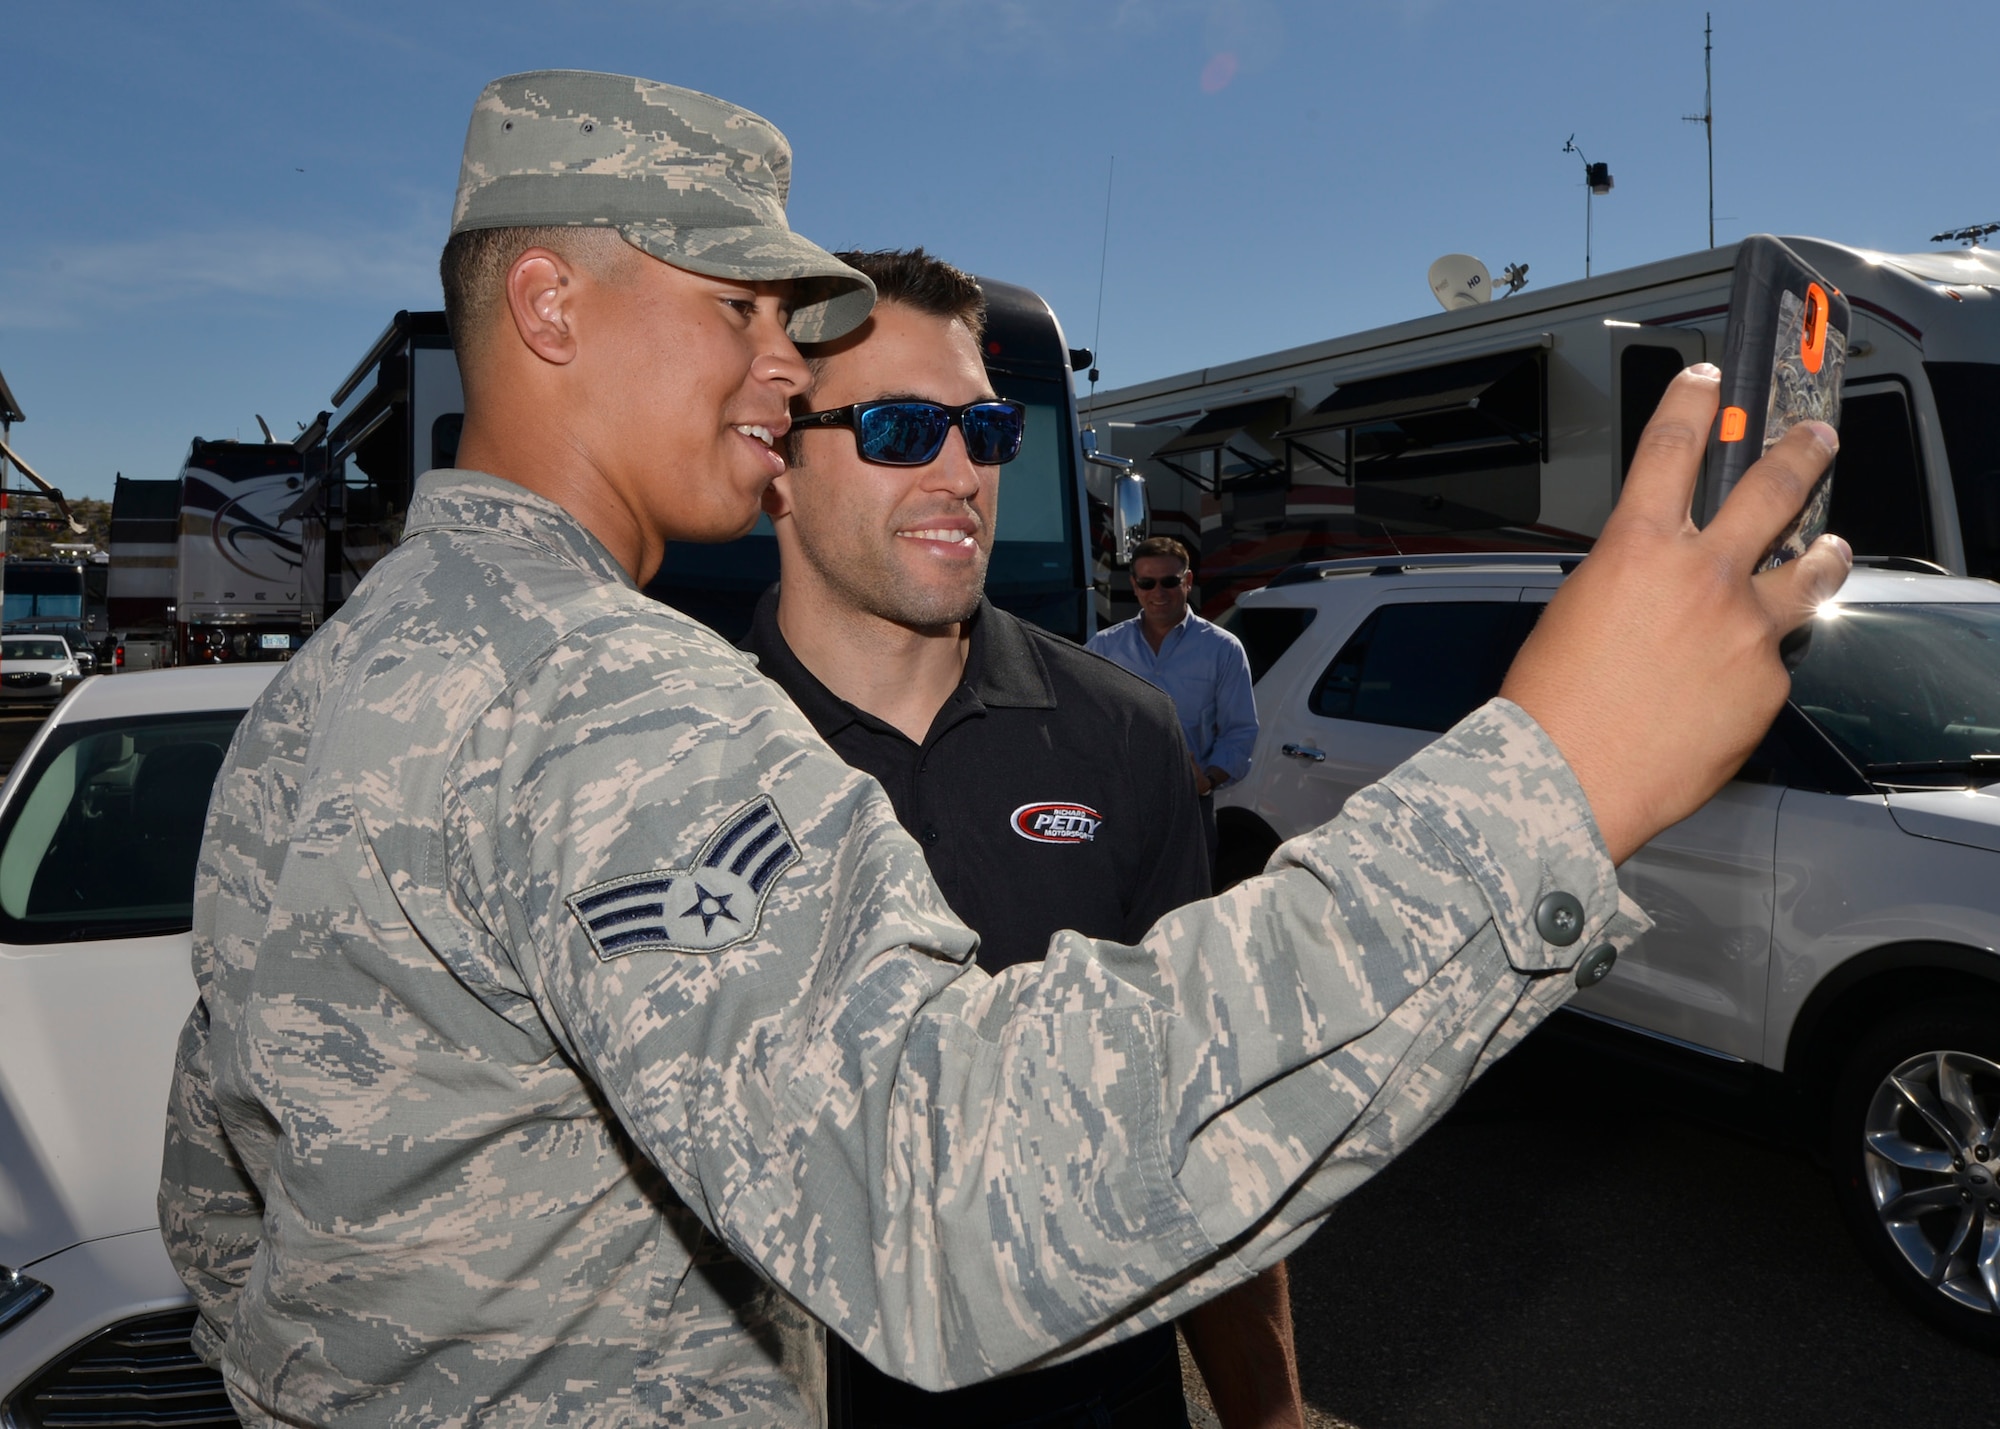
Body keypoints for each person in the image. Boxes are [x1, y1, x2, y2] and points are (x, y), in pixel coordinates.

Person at [159, 68, 1850, 1427]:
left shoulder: (323, 694)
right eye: (747, 306)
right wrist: (1558, 776)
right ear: (548, 303)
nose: (778, 362)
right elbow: (948, 1203)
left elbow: (224, 1202)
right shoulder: (602, 692)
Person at [744, 247, 1303, 1428]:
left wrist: (1266, 1416)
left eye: (985, 430)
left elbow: (1203, 1120)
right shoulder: (681, 759)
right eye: (901, 428)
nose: (963, 474)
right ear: (776, 462)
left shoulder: (1120, 735)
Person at [1087, 538, 1257, 872]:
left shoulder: (1223, 649)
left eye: (1170, 582)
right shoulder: (1103, 648)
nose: (1158, 592)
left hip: (1189, 810)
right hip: (1118, 809)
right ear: (1135, 586)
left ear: (1188, 581)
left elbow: (1241, 732)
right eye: (1147, 583)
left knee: (1186, 912)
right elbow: (1078, 721)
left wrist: (1206, 780)